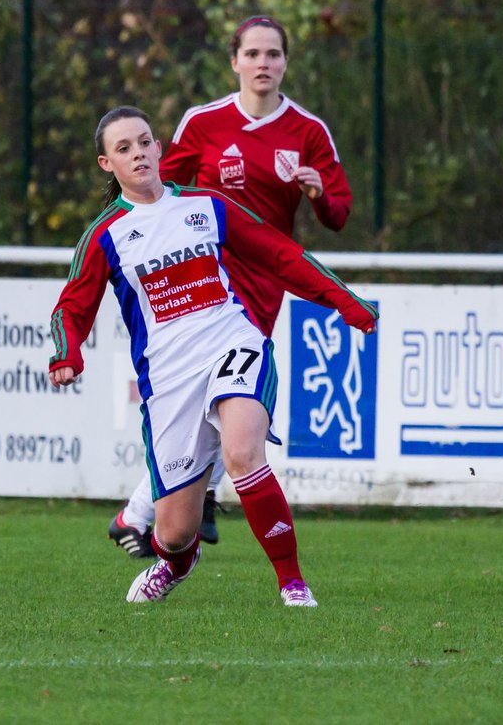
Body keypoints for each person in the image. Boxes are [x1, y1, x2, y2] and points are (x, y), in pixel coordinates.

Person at [49, 106, 376, 606]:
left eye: (144, 142)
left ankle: (292, 583)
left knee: (243, 451)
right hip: (170, 380)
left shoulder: (205, 204)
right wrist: (66, 353)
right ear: (105, 164)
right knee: (175, 532)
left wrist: (345, 301)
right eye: (123, 148)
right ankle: (177, 562)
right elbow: (73, 305)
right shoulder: (105, 234)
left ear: (160, 149)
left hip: (233, 343)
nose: (137, 153)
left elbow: (279, 253)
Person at [107, 15, 353, 557]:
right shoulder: (205, 122)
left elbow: (339, 213)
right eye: (253, 54)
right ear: (235, 61)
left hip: (266, 282)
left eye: (273, 54)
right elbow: (158, 187)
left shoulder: (308, 131)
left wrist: (316, 195)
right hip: (208, 282)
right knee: (214, 401)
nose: (263, 63)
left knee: (231, 404)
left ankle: (149, 509)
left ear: (286, 61)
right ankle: (159, 508)